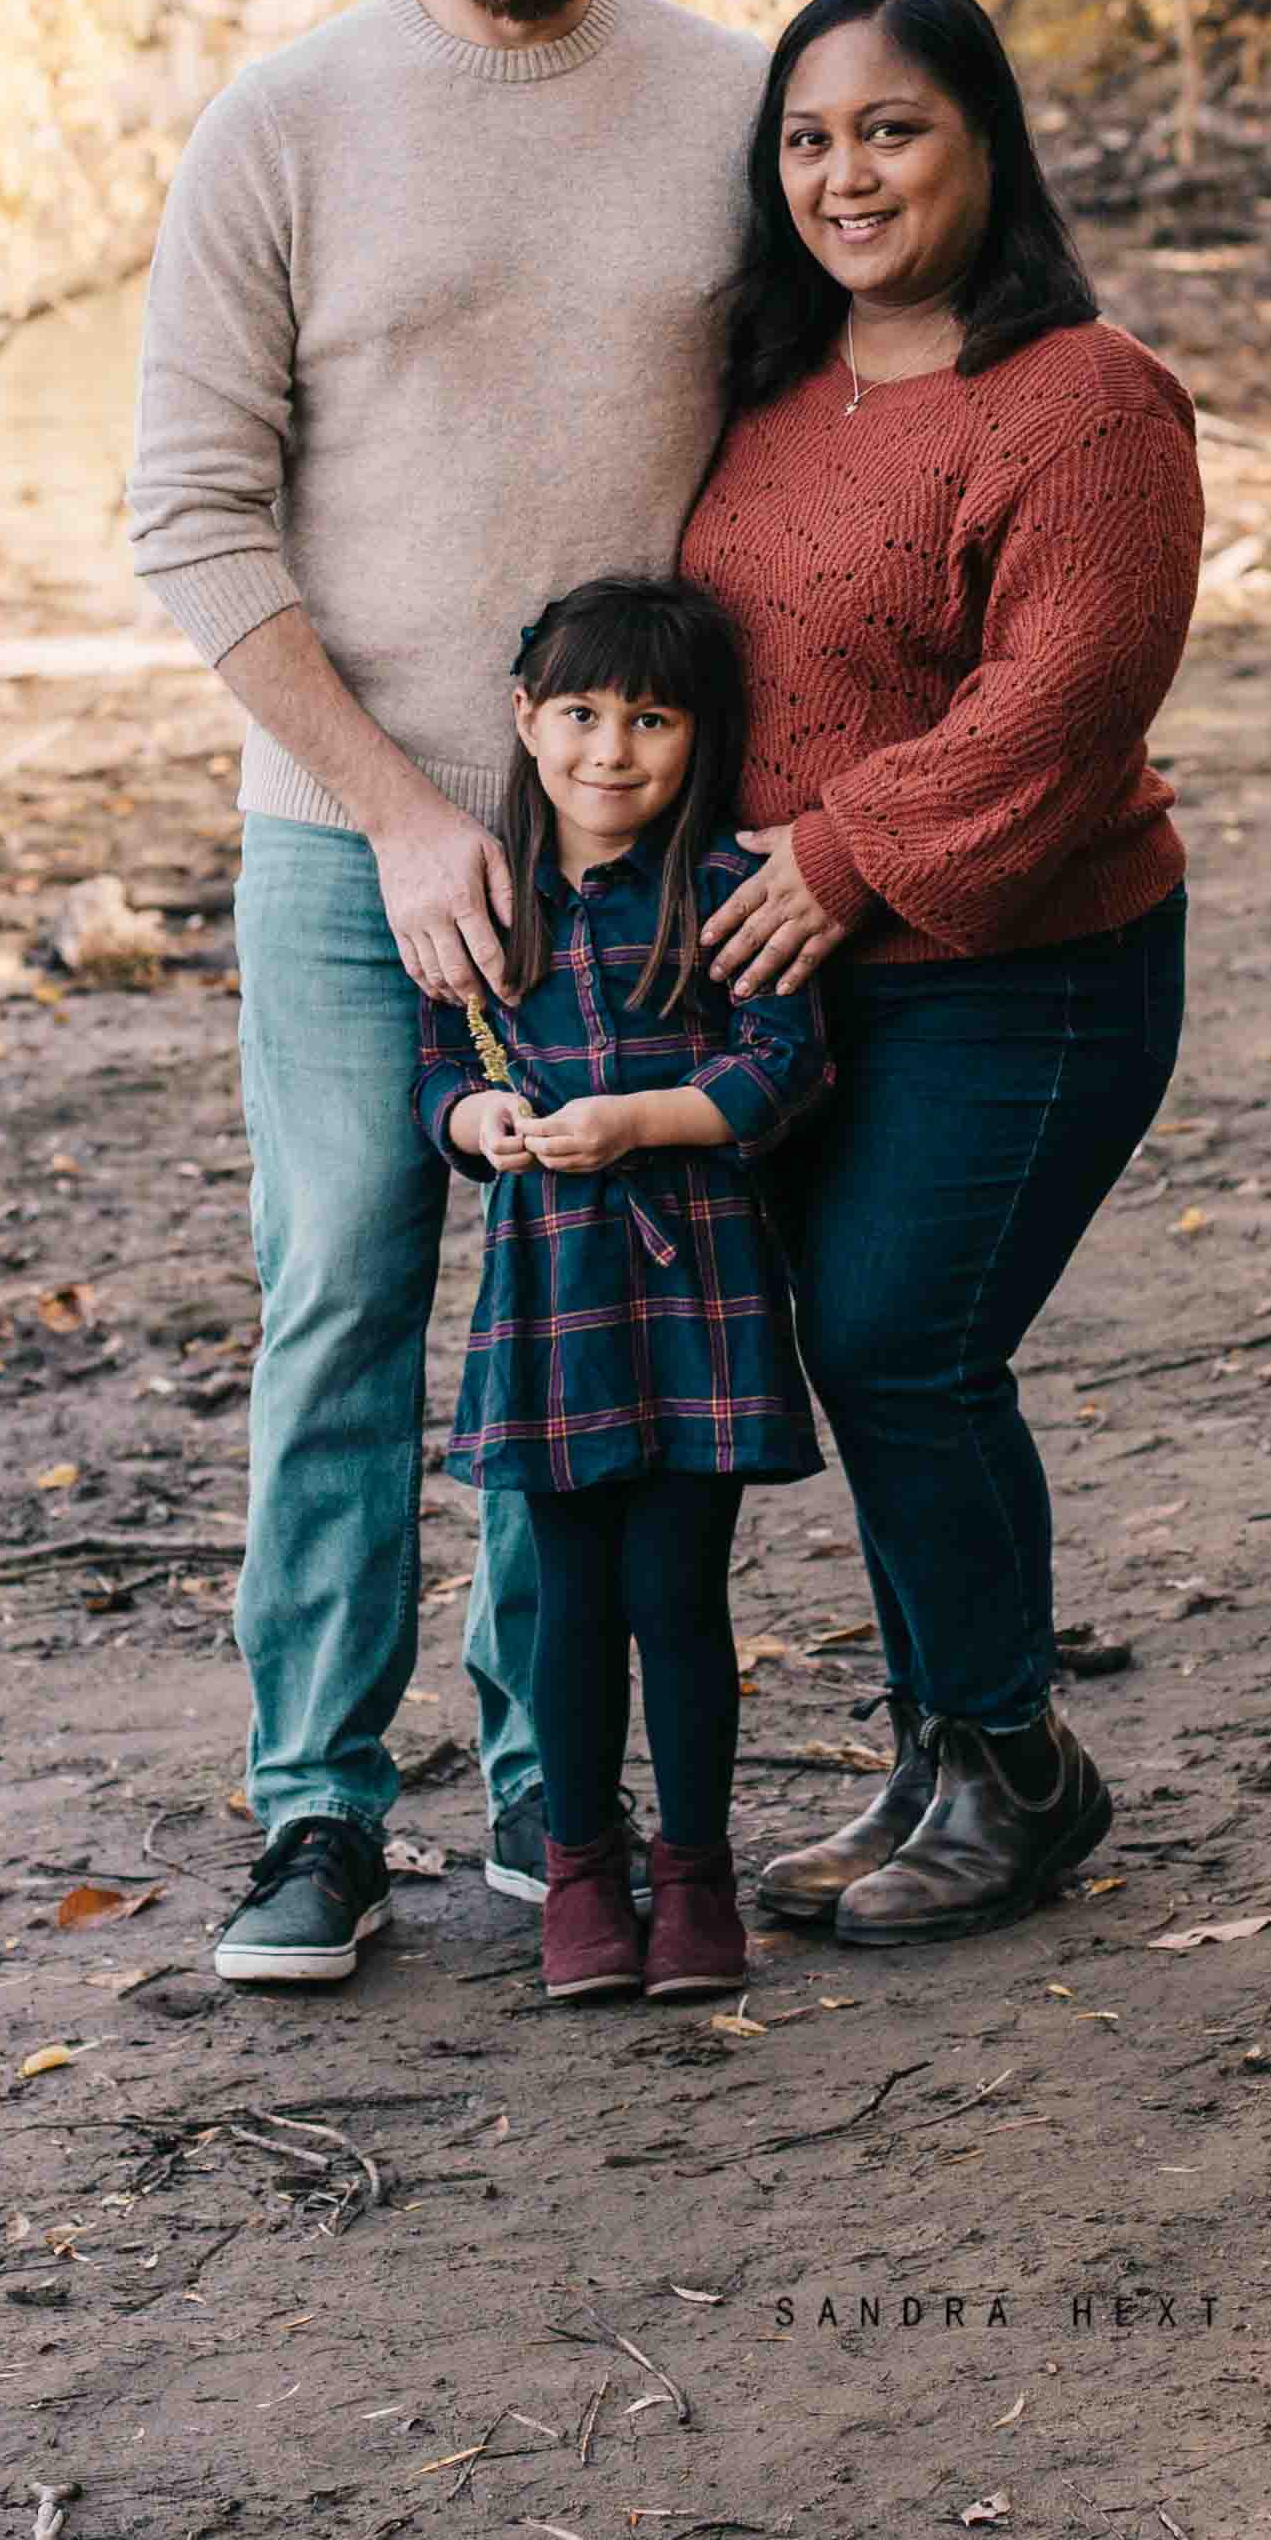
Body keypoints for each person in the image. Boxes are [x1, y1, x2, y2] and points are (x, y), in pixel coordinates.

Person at [128, 0, 762, 1991]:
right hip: (339, 834)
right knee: (345, 1302)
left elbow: (804, 461)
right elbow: (189, 520)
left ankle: (549, 1790)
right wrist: (394, 815)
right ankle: (312, 1812)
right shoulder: (283, 125)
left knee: (587, 1313)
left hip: (635, 851)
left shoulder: (722, 105)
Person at [681, 0, 1204, 1947]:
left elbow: (1064, 697)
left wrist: (832, 851)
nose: (845, 173)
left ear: (983, 140)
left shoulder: (1083, 397)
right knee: (873, 1352)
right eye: (807, 138)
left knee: (907, 1341)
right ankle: (934, 1761)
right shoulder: (777, 382)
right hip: (813, 970)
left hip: (1031, 966)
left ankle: (1013, 1767)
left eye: (890, 128)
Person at [412, 577, 830, 2007]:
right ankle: (583, 1871)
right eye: (581, 713)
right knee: (569, 1600)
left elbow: (783, 1063)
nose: (611, 748)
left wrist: (643, 1118)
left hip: (696, 1284)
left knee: (679, 1594)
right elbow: (439, 1073)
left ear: (696, 734)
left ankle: (696, 1869)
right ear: (527, 721)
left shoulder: (721, 889)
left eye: (650, 719)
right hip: (550, 1301)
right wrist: (480, 1125)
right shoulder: (486, 901)